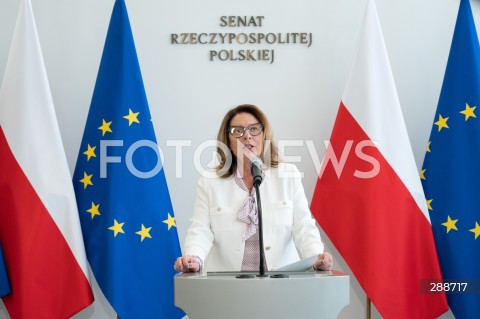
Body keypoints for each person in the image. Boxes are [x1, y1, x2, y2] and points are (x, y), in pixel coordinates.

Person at [174, 104, 332, 273]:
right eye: (237, 131)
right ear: (227, 140)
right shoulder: (210, 180)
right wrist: (194, 257)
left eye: (254, 129)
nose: (247, 136)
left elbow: (303, 226)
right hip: (227, 282)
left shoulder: (288, 175)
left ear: (264, 135)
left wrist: (316, 257)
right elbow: (200, 229)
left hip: (281, 282)